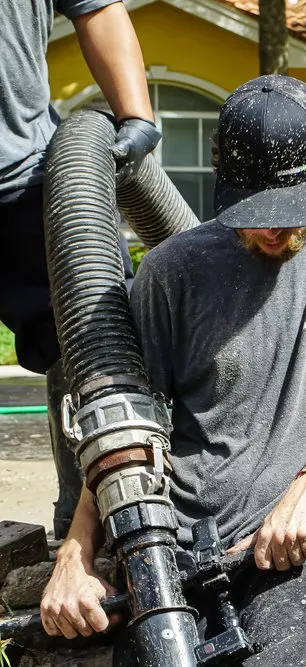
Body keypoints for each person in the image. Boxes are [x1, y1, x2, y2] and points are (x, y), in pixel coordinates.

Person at [39, 74, 306, 667]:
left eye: (289, 210)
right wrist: (76, 554)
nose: (272, 228)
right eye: (256, 210)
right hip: (172, 551)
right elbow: (122, 433)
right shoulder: (172, 272)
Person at [2, 0, 161, 539]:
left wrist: (136, 115)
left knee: (90, 339)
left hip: (26, 177)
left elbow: (96, 8)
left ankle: (97, 529)